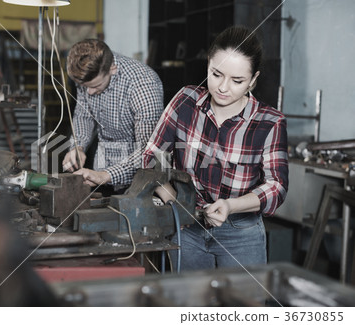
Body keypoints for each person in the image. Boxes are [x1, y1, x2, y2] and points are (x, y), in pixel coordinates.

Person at [142, 26, 288, 271]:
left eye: (237, 80)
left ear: (253, 80)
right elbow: (153, 156)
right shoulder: (185, 101)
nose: (223, 87)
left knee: (243, 308)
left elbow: (277, 186)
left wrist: (231, 206)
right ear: (208, 65)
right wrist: (175, 201)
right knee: (190, 306)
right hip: (186, 228)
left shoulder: (270, 122)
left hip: (241, 233)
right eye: (216, 74)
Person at [62, 39, 164, 193]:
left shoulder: (143, 84)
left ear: (112, 69)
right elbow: (84, 114)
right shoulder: (88, 75)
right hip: (100, 171)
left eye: (96, 86)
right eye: (84, 87)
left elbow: (148, 151)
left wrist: (105, 175)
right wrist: (78, 146)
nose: (88, 92)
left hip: (139, 180)